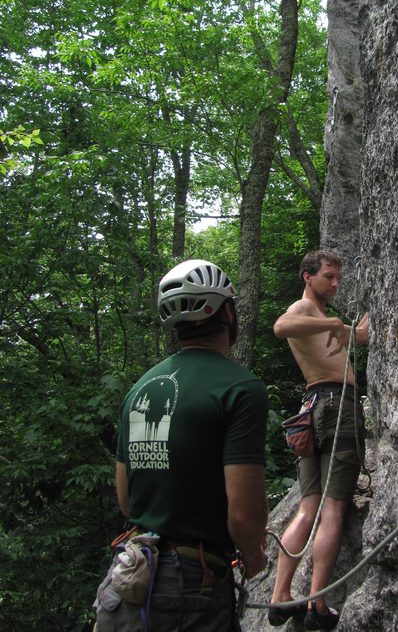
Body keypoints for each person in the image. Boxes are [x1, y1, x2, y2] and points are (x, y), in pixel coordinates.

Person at [94, 259, 269, 632]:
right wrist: (253, 554)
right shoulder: (241, 388)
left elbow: (126, 500)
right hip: (192, 588)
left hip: (128, 578)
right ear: (227, 312)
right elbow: (243, 514)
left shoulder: (140, 387)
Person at [268, 250, 368, 630]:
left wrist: (362, 316)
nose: (335, 283)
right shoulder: (304, 309)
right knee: (332, 509)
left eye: (337, 277)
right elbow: (280, 326)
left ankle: (281, 597)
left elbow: (358, 335)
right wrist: (331, 326)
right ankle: (318, 605)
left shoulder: (321, 317)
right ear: (307, 277)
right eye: (328, 276)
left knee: (308, 509)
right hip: (335, 407)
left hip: (313, 411)